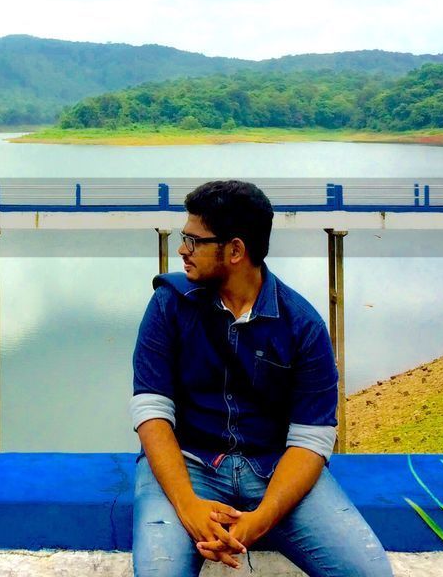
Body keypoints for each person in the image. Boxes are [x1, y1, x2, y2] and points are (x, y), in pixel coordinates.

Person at [130, 180, 391, 576]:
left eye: (194, 240)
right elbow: (152, 411)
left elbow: (311, 438)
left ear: (235, 250)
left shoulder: (301, 325)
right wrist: (188, 506)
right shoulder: (169, 303)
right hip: (189, 466)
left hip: (273, 470)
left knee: (369, 572)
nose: (182, 249)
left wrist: (261, 519)